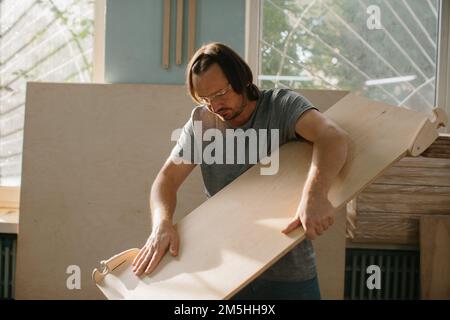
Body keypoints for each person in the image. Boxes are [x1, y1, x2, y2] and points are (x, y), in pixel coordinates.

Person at [131, 42, 349, 299]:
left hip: (288, 269)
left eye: (221, 93)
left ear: (242, 79)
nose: (215, 105)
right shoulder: (202, 121)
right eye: (206, 98)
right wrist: (161, 224)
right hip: (228, 268)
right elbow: (165, 180)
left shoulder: (281, 106)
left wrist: (316, 194)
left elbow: (332, 137)